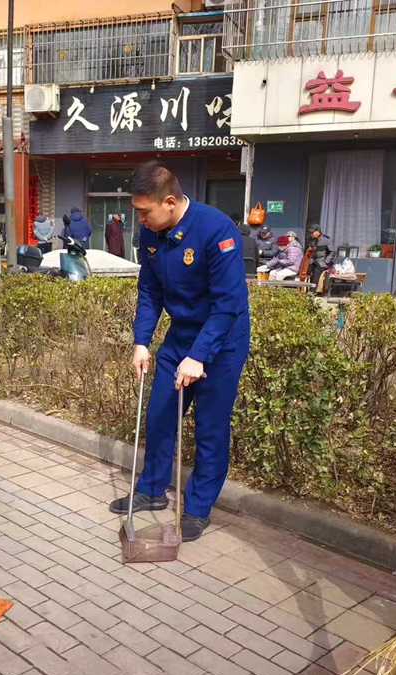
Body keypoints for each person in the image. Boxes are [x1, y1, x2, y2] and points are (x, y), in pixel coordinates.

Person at [110, 162, 250, 541]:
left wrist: (199, 356)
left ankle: (198, 508)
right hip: (180, 337)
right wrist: (142, 341)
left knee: (210, 427)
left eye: (145, 212)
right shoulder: (152, 233)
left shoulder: (217, 231)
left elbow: (228, 305)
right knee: (159, 414)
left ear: (170, 202)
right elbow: (150, 291)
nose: (140, 220)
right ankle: (152, 489)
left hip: (222, 342)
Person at [306, 223, 335, 290]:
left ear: (318, 231)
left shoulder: (326, 240)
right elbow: (306, 252)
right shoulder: (309, 240)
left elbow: (332, 252)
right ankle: (303, 290)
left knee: (316, 272)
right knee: (306, 270)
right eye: (310, 232)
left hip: (322, 262)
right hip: (312, 261)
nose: (311, 234)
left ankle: (312, 292)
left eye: (312, 232)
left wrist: (326, 261)